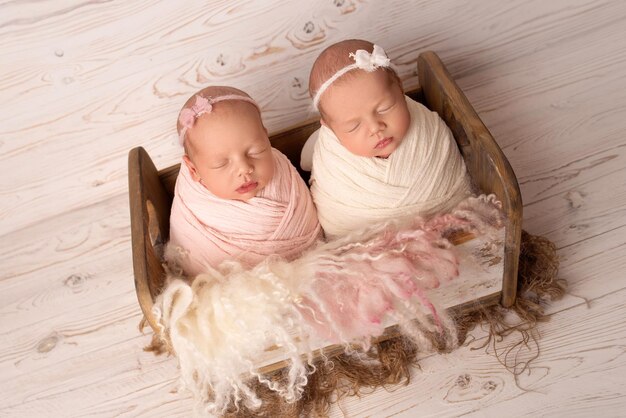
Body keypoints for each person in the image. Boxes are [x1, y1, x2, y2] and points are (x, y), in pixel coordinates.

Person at [303, 39, 472, 239]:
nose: (375, 128)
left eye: (385, 108)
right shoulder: (333, 163)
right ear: (330, 128)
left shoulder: (428, 132)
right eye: (353, 126)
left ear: (400, 89)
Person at [168, 86, 321, 276]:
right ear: (193, 170)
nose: (244, 169)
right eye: (221, 164)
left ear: (266, 137)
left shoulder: (284, 177)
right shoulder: (192, 206)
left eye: (255, 151)